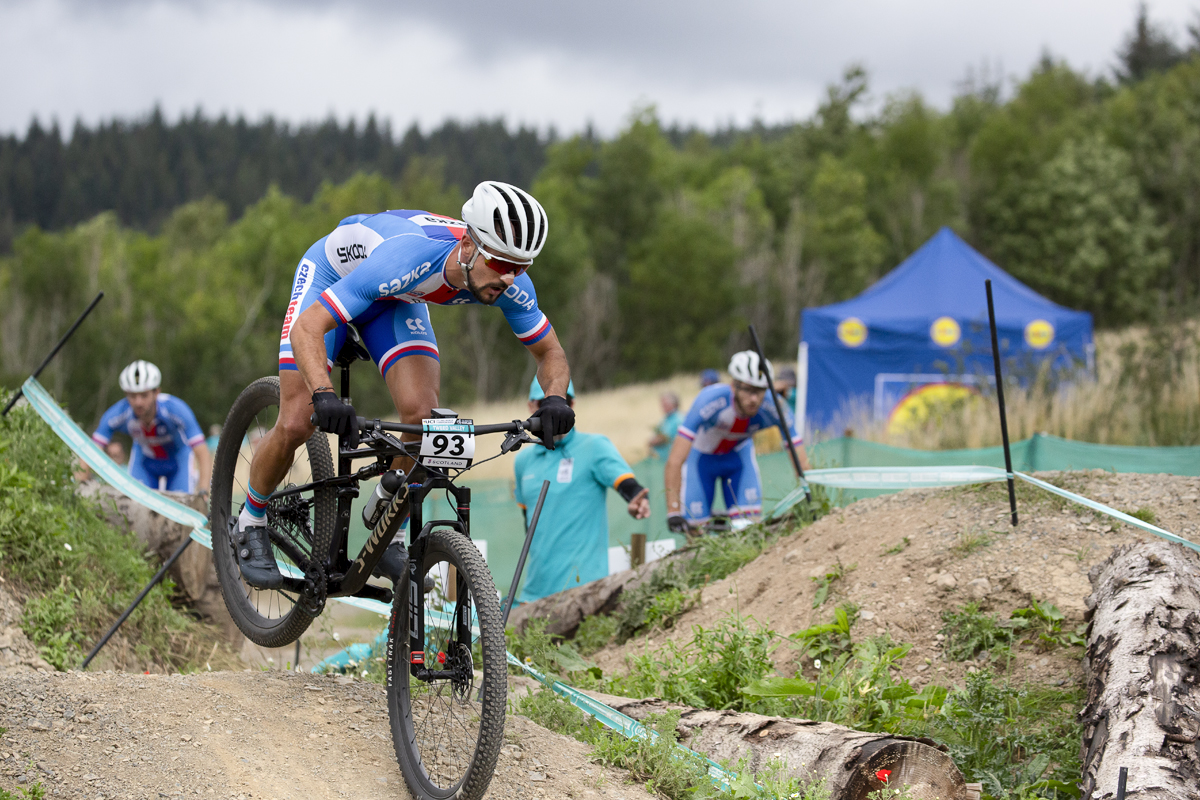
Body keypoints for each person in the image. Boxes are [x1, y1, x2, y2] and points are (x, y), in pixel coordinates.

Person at [235, 181, 575, 589]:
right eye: (501, 264)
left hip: (397, 298)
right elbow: (308, 328)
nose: (509, 278)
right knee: (297, 420)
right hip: (335, 277)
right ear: (468, 247)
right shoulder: (409, 256)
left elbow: (550, 354)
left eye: (520, 267)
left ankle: (387, 527)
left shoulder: (511, 284)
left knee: (424, 422)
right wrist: (324, 394)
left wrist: (555, 399)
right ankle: (250, 519)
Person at [513, 377, 649, 603]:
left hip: (586, 592)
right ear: (530, 407)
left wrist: (637, 499)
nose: (553, 415)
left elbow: (628, 485)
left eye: (561, 405)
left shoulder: (594, 446)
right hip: (535, 593)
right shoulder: (523, 460)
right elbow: (529, 525)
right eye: (542, 406)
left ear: (572, 406)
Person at [663, 351, 810, 533]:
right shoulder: (709, 401)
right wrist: (673, 510)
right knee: (696, 535)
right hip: (701, 460)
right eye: (748, 390)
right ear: (733, 386)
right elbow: (675, 460)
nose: (754, 398)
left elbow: (798, 453)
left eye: (760, 390)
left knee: (748, 529)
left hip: (738, 460)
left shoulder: (774, 407)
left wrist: (811, 495)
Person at [91, 360, 212, 495]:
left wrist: (203, 491)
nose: (138, 402)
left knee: (180, 507)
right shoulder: (118, 413)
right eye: (132, 396)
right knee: (137, 505)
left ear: (156, 392)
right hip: (144, 462)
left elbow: (202, 452)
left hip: (178, 462)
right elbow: (92, 450)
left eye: (144, 395)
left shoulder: (177, 410)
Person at [647, 391, 682, 460]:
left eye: (665, 404)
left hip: (670, 458)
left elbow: (665, 438)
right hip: (662, 459)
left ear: (673, 404)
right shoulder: (665, 419)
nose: (662, 406)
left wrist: (653, 442)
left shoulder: (678, 419)